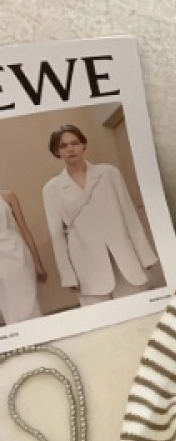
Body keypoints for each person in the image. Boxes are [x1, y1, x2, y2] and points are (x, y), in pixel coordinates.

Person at [42, 124, 157, 306]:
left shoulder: (109, 173)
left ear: (83, 145)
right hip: (86, 265)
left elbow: (129, 216)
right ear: (57, 151)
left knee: (135, 307)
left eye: (75, 143)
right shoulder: (51, 189)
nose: (70, 149)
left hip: (123, 256)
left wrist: (145, 255)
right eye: (63, 146)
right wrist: (68, 275)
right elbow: (57, 236)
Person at [0, 189, 47, 325]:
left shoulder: (7, 196)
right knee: (9, 307)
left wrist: (38, 264)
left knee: (30, 302)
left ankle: (40, 334)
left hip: (18, 253)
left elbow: (24, 229)